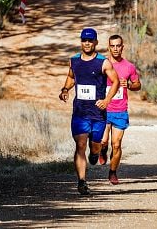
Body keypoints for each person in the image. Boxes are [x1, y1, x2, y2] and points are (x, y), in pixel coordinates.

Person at [59, 28, 120, 195]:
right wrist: (65, 89)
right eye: (84, 40)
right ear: (81, 42)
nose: (87, 43)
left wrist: (107, 100)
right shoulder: (74, 61)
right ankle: (81, 182)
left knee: (94, 147)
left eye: (90, 40)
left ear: (96, 42)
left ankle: (96, 153)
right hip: (80, 112)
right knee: (80, 145)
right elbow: (72, 77)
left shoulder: (103, 62)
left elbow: (116, 82)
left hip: (98, 115)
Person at [99, 34, 141, 185]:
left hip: (120, 110)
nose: (115, 48)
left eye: (118, 46)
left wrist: (128, 85)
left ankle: (112, 172)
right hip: (103, 109)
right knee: (103, 141)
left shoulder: (129, 66)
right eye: (113, 46)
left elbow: (138, 85)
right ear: (109, 47)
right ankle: (102, 150)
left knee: (116, 144)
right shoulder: (102, 64)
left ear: (122, 47)